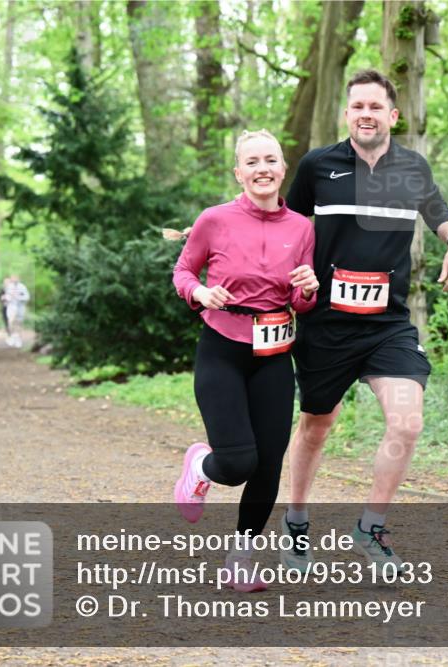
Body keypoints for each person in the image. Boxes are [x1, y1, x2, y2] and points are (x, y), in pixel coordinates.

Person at [281, 69, 448, 570]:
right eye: (358, 106)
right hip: (326, 322)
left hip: (387, 325)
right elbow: (285, 227)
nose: (366, 114)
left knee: (407, 422)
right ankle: (295, 521)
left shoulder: (412, 167)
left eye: (375, 106)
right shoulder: (318, 165)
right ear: (347, 114)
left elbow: (438, 211)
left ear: (393, 115)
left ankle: (371, 528)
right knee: (317, 426)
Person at [171, 129, 318, 592]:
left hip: (273, 355)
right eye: (252, 162)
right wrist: (199, 292)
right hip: (223, 348)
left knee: (269, 465)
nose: (262, 169)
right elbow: (183, 271)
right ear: (239, 173)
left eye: (270, 160)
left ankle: (240, 559)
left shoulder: (302, 227)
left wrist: (308, 289)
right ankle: (201, 467)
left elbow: (302, 299)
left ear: (283, 169)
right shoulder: (214, 219)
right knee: (237, 464)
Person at [5, 275, 29, 348]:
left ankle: (18, 339)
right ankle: (12, 337)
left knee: (19, 323)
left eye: (16, 278)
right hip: (11, 307)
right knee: (11, 322)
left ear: (19, 279)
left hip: (20, 307)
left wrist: (18, 297)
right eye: (13, 278)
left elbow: (27, 297)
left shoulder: (22, 287)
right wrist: (9, 297)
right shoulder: (9, 287)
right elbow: (7, 296)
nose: (14, 280)